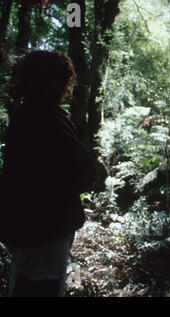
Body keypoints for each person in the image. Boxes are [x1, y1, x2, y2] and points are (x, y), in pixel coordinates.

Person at [0, 50, 95, 296]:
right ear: (55, 82)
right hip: (44, 228)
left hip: (28, 226)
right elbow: (83, 172)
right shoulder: (46, 119)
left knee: (26, 282)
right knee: (41, 285)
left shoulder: (26, 115)